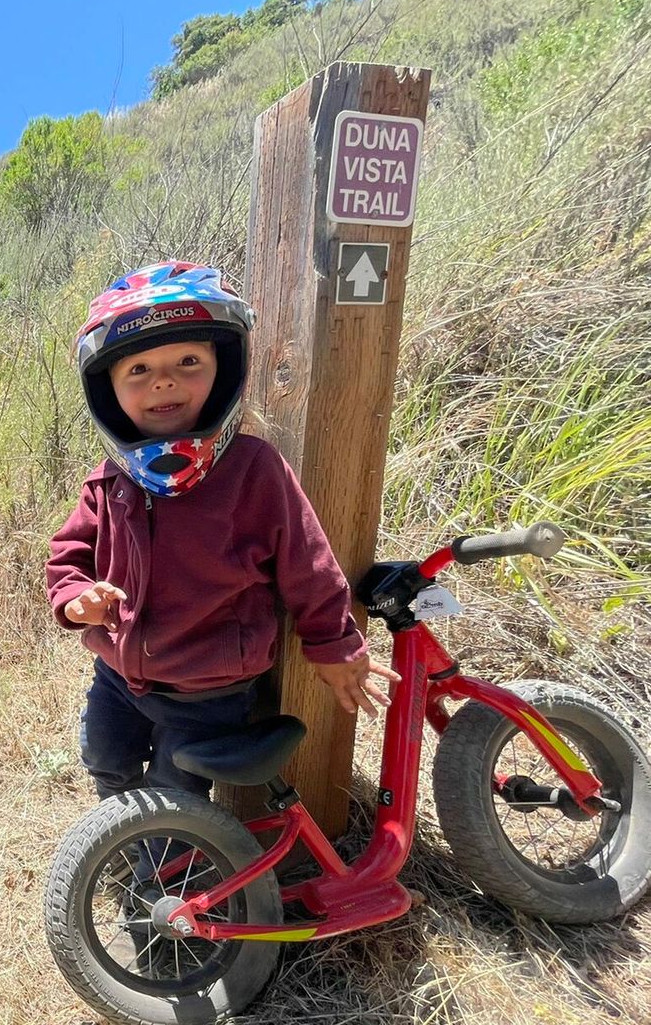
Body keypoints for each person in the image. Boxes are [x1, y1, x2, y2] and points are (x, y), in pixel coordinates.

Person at [46, 260, 397, 803]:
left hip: (207, 689)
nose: (164, 380)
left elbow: (309, 564)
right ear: (107, 389)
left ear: (224, 368)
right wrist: (75, 600)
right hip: (118, 674)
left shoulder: (252, 469)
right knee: (104, 759)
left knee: (176, 795)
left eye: (188, 361)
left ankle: (166, 855)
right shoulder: (109, 479)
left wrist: (334, 643)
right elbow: (68, 555)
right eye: (138, 369)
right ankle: (116, 835)